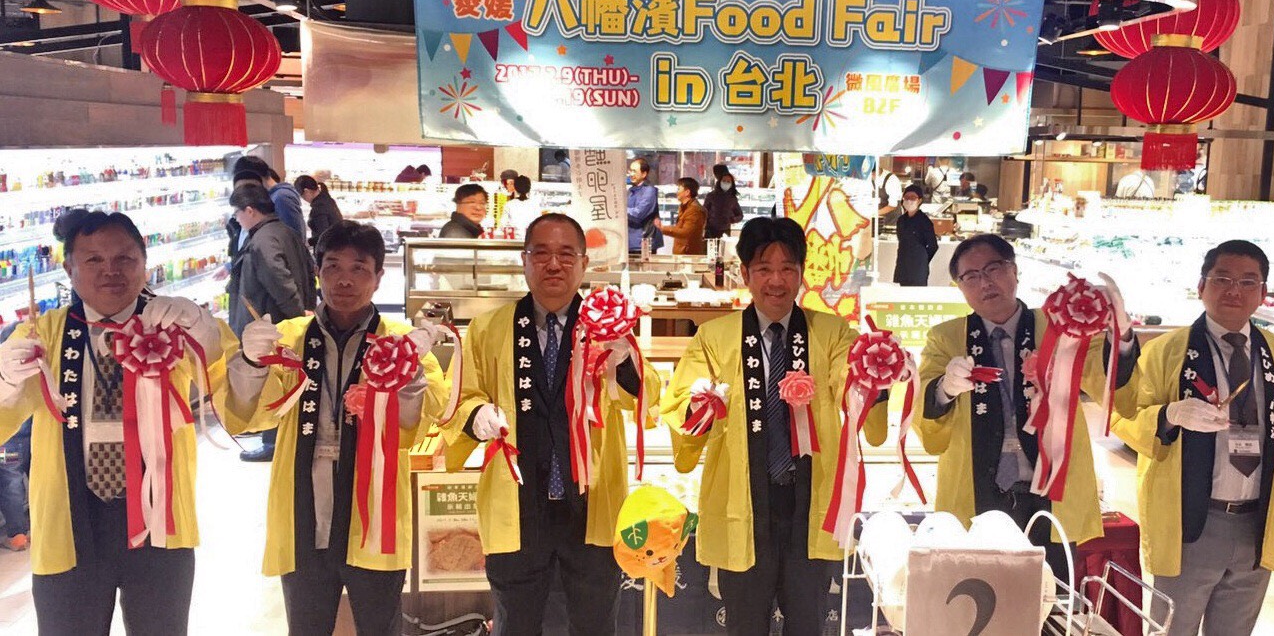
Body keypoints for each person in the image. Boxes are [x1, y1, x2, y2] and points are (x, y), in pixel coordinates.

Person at [0, 209, 234, 635]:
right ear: (69, 269)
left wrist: (210, 338)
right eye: (93, 259)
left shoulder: (173, 324)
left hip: (160, 518)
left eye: (125, 258)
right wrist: (4, 381)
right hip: (70, 521)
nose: (111, 271)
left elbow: (237, 398)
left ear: (145, 262)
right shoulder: (42, 333)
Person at [1112, 240, 1274, 636]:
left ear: (1263, 293)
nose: (1234, 291)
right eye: (1222, 279)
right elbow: (1124, 414)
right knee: (1172, 627)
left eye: (1248, 282)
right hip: (1191, 521)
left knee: (1236, 629)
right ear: (1201, 286)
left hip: (1257, 521)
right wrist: (1168, 414)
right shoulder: (1166, 352)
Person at [216, 220, 448, 636]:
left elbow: (418, 425)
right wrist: (251, 361)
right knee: (306, 625)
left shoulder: (400, 342)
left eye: (359, 268)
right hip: (303, 505)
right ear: (317, 272)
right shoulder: (288, 337)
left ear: (379, 277)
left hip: (374, 511)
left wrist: (409, 374)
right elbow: (249, 414)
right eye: (333, 266)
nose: (344, 279)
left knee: (380, 626)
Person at [661, 218, 887, 636]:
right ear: (745, 273)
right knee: (744, 625)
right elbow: (679, 409)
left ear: (802, 273)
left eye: (788, 268)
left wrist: (875, 375)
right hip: (743, 503)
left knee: (808, 624)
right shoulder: (714, 337)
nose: (777, 281)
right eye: (764, 269)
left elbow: (850, 388)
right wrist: (701, 403)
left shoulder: (833, 332)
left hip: (810, 502)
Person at [442, 214, 660, 636]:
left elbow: (648, 399)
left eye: (566, 254)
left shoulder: (606, 327)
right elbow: (458, 400)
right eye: (540, 253)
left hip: (591, 504)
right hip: (519, 504)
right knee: (516, 621)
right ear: (524, 261)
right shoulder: (489, 329)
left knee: (596, 622)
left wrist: (623, 360)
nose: (553, 264)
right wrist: (477, 415)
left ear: (584, 263)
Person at [915, 234, 1137, 580]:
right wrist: (945, 387)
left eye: (993, 269)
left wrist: (1119, 338)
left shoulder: (1060, 326)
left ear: (1014, 271)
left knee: (1054, 595)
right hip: (978, 488)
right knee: (980, 595)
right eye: (971, 276)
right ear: (959, 286)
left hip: (1054, 490)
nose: (985, 283)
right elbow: (923, 404)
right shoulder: (946, 337)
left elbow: (1105, 379)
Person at [228, 186, 318, 463]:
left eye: (238, 213)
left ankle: (271, 441)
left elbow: (279, 280)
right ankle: (277, 438)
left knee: (273, 380)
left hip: (272, 323)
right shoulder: (285, 232)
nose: (237, 219)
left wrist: (296, 316)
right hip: (287, 320)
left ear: (250, 210)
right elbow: (308, 270)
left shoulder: (262, 240)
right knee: (286, 381)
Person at [892, 184, 937, 286]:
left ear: (919, 200)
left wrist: (923, 259)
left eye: (913, 198)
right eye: (906, 197)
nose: (909, 200)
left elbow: (933, 246)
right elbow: (901, 241)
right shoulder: (901, 220)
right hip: (903, 265)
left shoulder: (924, 221)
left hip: (918, 268)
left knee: (917, 293)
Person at [656, 177, 708, 256]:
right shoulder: (685, 207)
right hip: (682, 253)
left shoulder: (694, 210)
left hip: (688, 255)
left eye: (678, 189)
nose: (676, 192)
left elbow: (685, 232)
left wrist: (663, 228)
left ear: (687, 192)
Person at [0, 415, 30, 551]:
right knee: (37, 481)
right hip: (31, 436)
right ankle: (46, 529)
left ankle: (18, 537)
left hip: (6, 443)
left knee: (11, 484)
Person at [294, 175, 343, 250]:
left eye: (302, 196)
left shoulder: (318, 207)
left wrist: (308, 242)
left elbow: (323, 235)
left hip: (327, 249)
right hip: (337, 246)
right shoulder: (327, 199)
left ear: (306, 191)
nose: (303, 199)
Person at [627, 157, 662, 255]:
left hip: (643, 242)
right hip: (631, 242)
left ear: (644, 174)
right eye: (630, 171)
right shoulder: (630, 191)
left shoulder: (649, 191)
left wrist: (620, 210)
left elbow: (638, 214)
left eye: (634, 171)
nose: (631, 174)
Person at [703, 164, 744, 240]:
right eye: (724, 181)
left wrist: (732, 219)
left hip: (725, 230)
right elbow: (704, 212)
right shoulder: (711, 196)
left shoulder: (732, 198)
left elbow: (740, 215)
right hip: (711, 230)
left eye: (728, 181)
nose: (726, 183)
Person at [874, 163, 903, 230]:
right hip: (880, 219)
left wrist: (874, 213)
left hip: (892, 220)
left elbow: (892, 206)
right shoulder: (871, 179)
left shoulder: (891, 180)